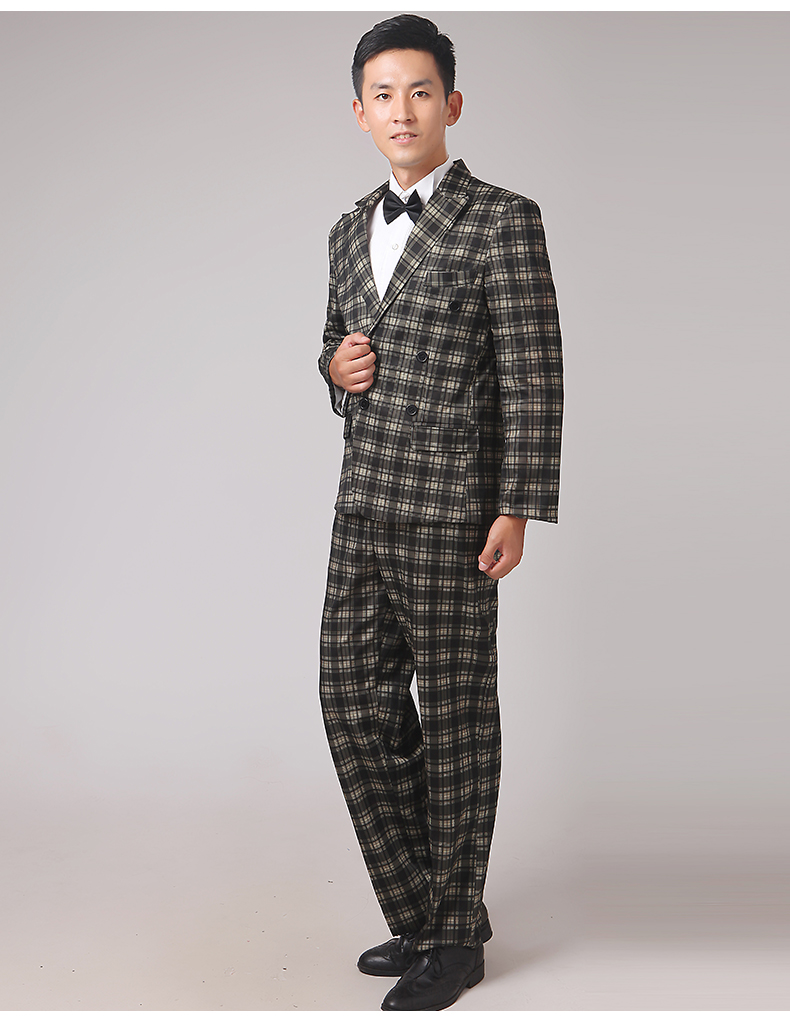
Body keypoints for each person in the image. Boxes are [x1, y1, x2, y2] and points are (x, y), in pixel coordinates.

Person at [317, 15, 563, 1011]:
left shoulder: (501, 219)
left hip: (454, 510)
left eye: (420, 91)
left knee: (457, 717)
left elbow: (533, 373)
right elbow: (335, 351)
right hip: (362, 505)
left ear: (450, 104)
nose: (402, 110)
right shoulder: (346, 231)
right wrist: (334, 368)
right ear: (359, 113)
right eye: (383, 94)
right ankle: (431, 911)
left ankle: (451, 939)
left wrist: (517, 506)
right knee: (352, 703)